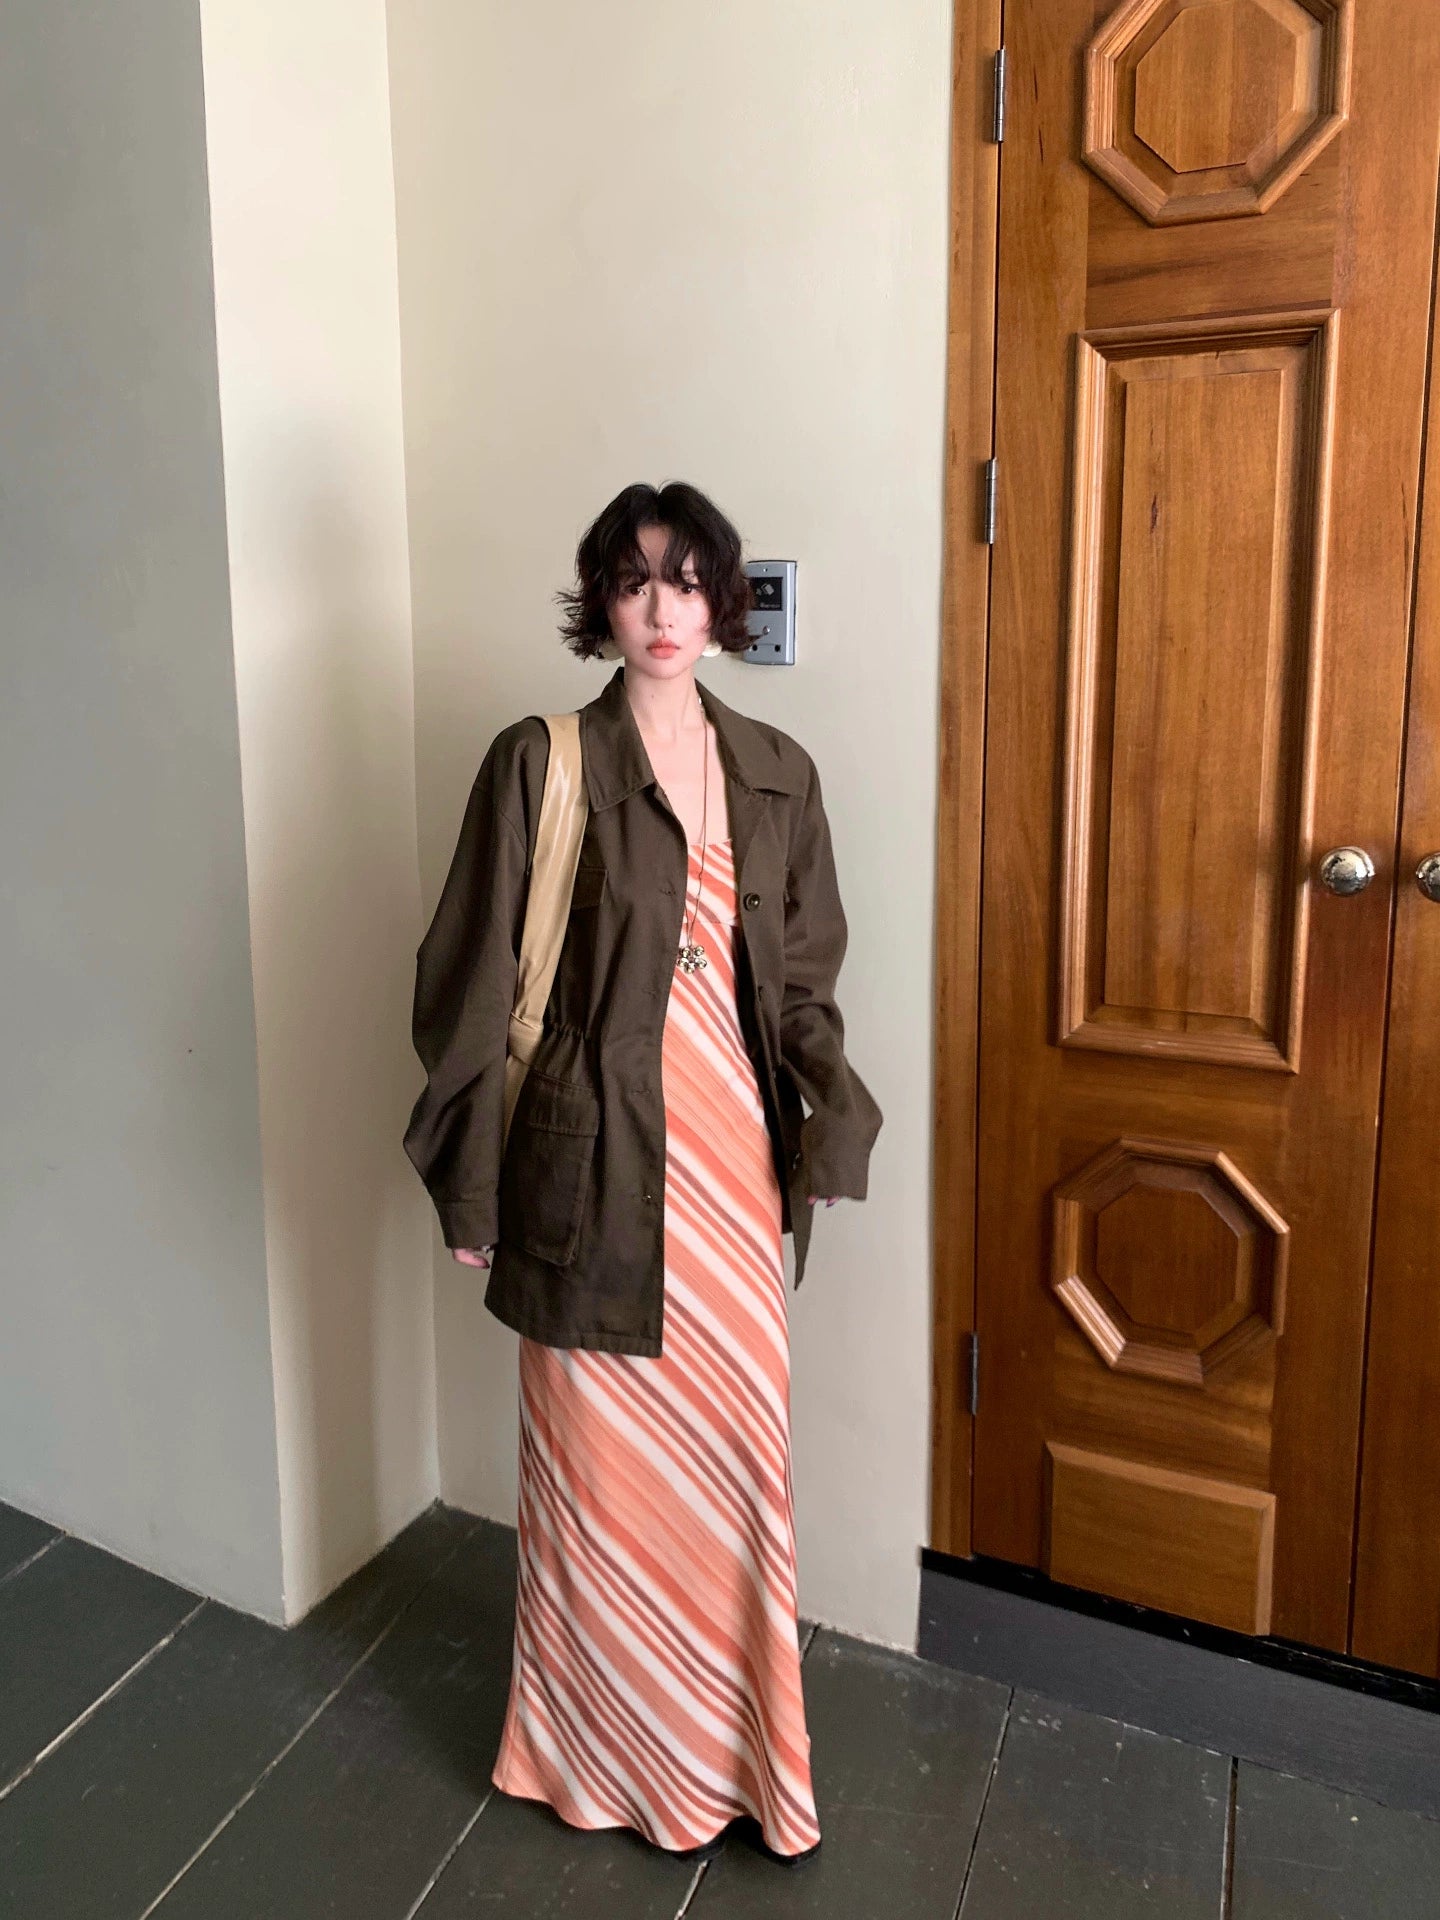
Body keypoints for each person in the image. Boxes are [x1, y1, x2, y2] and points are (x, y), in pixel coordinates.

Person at [403, 479, 882, 1865]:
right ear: (601, 605)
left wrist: (832, 1123)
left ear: (722, 603)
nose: (662, 610)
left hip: (733, 1172)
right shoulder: (541, 762)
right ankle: (593, 1760)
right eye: (633, 581)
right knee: (594, 1486)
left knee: (731, 1473)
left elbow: (804, 986)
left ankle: (736, 1769)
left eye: (686, 582)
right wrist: (472, 1186)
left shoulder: (779, 770)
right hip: (584, 1171)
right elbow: (469, 981)